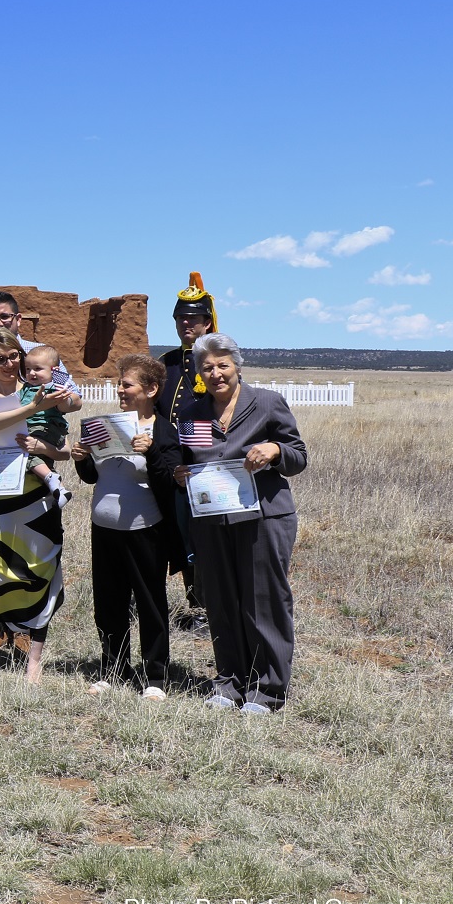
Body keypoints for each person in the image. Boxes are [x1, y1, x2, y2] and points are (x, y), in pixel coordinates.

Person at [175, 333, 308, 714]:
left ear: (237, 365)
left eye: (223, 365)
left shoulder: (266, 402)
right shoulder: (193, 412)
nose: (216, 373)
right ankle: (229, 682)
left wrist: (275, 450)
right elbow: (193, 457)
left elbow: (298, 456)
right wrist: (182, 473)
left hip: (264, 516)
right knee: (220, 600)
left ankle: (268, 690)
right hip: (212, 518)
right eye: (207, 367)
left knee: (263, 601)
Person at [71, 355, 180, 699]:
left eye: (127, 384)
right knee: (108, 601)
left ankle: (155, 676)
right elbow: (94, 476)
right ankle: (113, 667)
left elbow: (170, 484)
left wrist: (150, 454)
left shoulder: (163, 431)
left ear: (150, 389)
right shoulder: (107, 425)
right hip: (104, 527)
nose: (119, 389)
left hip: (145, 528)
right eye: (120, 383)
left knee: (149, 602)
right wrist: (83, 458)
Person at [0, 327, 70, 682]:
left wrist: (45, 450)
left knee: (42, 567)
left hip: (37, 493)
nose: (9, 364)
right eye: (0, 359)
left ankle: (35, 659)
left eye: (14, 357)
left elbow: (67, 450)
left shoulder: (38, 389)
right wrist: (31, 406)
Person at [157, 272, 217, 632]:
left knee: (197, 537)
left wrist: (189, 463)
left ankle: (200, 608)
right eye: (180, 317)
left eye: (193, 318)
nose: (185, 323)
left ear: (207, 322)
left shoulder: (214, 361)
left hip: (199, 462)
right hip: (163, 461)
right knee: (162, 532)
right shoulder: (166, 363)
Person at [0, 290, 82, 414]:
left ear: (18, 319)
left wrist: (58, 401)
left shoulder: (42, 354)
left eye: (5, 317)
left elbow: (75, 399)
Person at [18, 344, 73, 499]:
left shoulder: (53, 387)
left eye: (38, 369)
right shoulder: (26, 387)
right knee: (39, 458)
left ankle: (50, 477)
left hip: (47, 428)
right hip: (34, 428)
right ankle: (58, 490)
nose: (31, 373)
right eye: (28, 369)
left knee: (22, 451)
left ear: (53, 370)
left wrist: (59, 389)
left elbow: (65, 405)